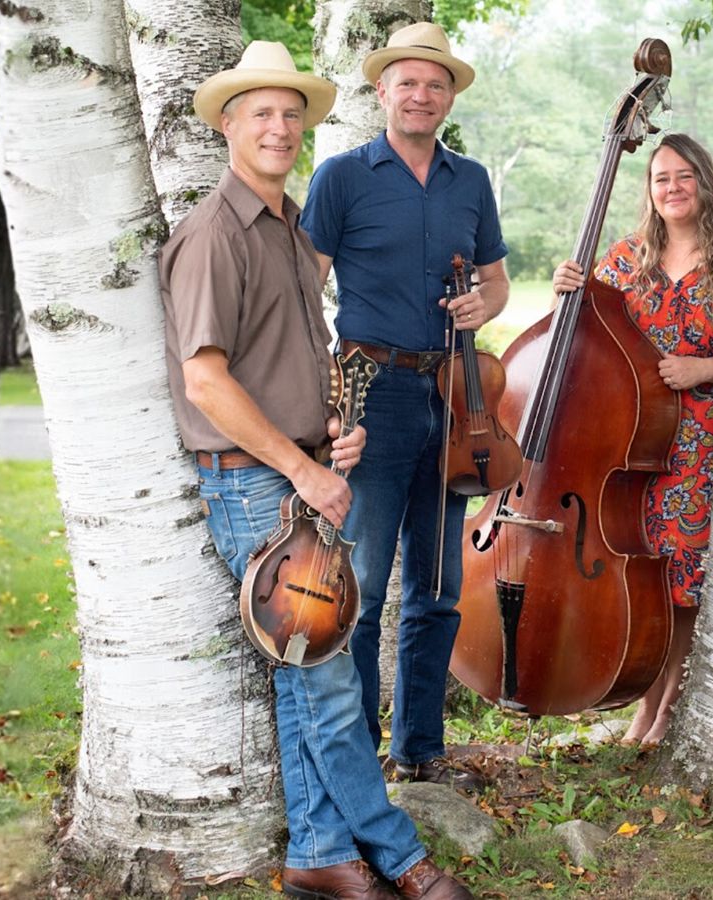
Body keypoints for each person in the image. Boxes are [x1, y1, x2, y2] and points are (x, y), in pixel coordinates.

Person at [159, 41, 472, 900]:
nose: (280, 127)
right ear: (228, 124)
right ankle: (400, 856)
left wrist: (328, 427)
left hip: (298, 471)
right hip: (255, 481)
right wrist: (302, 465)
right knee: (330, 678)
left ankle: (319, 856)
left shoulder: (293, 229)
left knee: (306, 666)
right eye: (260, 112)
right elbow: (205, 379)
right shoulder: (213, 234)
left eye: (292, 113)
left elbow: (288, 356)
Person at [300, 22, 509, 793]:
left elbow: (496, 283)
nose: (422, 95)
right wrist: (325, 396)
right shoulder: (343, 177)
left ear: (450, 96)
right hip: (371, 395)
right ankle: (353, 756)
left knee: (438, 584)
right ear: (382, 90)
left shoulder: (472, 180)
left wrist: (479, 308)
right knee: (358, 583)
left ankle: (421, 749)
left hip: (454, 394)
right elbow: (304, 287)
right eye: (408, 82)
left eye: (436, 83)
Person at [551, 133, 713, 747]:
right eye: (661, 178)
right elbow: (586, 331)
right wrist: (568, 290)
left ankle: (669, 701)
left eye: (684, 176)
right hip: (627, 446)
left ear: (704, 182)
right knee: (639, 573)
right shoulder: (627, 259)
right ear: (649, 191)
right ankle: (643, 700)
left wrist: (706, 368)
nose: (673, 188)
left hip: (694, 446)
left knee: (680, 579)